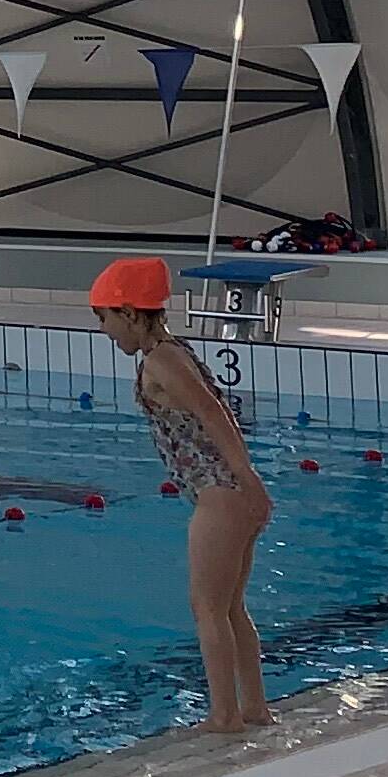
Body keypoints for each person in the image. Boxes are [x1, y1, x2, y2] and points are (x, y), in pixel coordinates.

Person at [87, 255, 273, 730]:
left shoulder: (162, 360)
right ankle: (253, 707)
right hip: (228, 494)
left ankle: (224, 715)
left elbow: (215, 415)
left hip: (220, 495)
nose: (107, 332)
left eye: (106, 319)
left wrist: (247, 479)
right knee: (230, 606)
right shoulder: (175, 351)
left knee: (207, 608)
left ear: (129, 312)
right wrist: (248, 484)